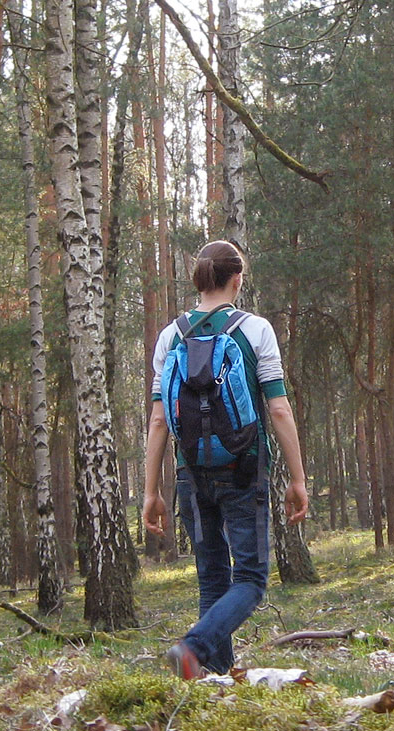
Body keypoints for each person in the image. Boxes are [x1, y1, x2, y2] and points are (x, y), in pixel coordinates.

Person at [142, 240, 308, 679]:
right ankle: (195, 648)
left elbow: (159, 420)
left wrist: (150, 491)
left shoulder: (170, 336)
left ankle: (210, 680)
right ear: (237, 279)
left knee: (213, 579)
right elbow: (278, 409)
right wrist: (298, 479)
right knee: (250, 580)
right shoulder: (254, 330)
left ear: (200, 278)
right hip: (245, 467)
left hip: (189, 471)